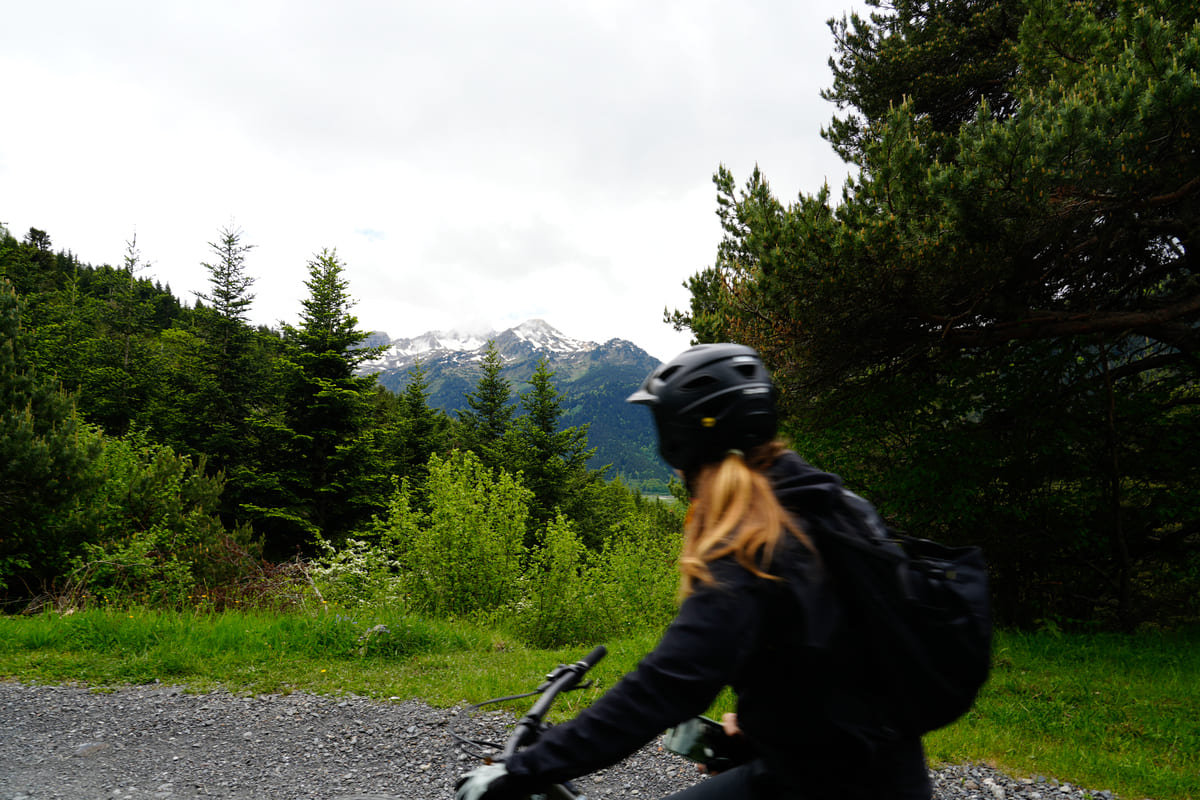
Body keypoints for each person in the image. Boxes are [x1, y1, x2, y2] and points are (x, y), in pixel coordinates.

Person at [455, 343, 932, 800]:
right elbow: (836, 654)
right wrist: (768, 729)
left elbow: (665, 686)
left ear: (680, 439)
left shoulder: (754, 545)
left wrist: (521, 770)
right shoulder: (827, 506)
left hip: (831, 786)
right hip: (880, 769)